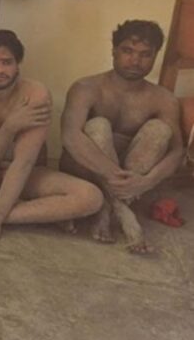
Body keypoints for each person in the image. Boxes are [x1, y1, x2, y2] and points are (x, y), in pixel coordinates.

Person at [0, 30, 103, 251]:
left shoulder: (35, 94)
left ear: (17, 65)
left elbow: (23, 163)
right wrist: (9, 127)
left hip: (30, 174)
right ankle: (40, 212)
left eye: (7, 62)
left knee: (91, 197)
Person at [60, 19, 184, 253]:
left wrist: (147, 181)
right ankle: (125, 215)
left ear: (155, 56)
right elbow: (70, 137)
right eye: (128, 51)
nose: (135, 61)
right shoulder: (86, 87)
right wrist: (114, 176)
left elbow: (177, 151)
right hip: (87, 172)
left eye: (145, 54)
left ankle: (106, 210)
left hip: (131, 179)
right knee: (98, 126)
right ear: (114, 50)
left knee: (160, 130)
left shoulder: (163, 99)